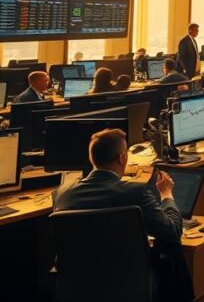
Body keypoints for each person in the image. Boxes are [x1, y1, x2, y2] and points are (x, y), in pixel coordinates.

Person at [52, 128, 192, 300]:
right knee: (172, 249)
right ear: (122, 158)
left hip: (77, 283)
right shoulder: (135, 192)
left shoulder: (61, 194)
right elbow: (173, 231)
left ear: (91, 158)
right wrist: (166, 194)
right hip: (129, 281)